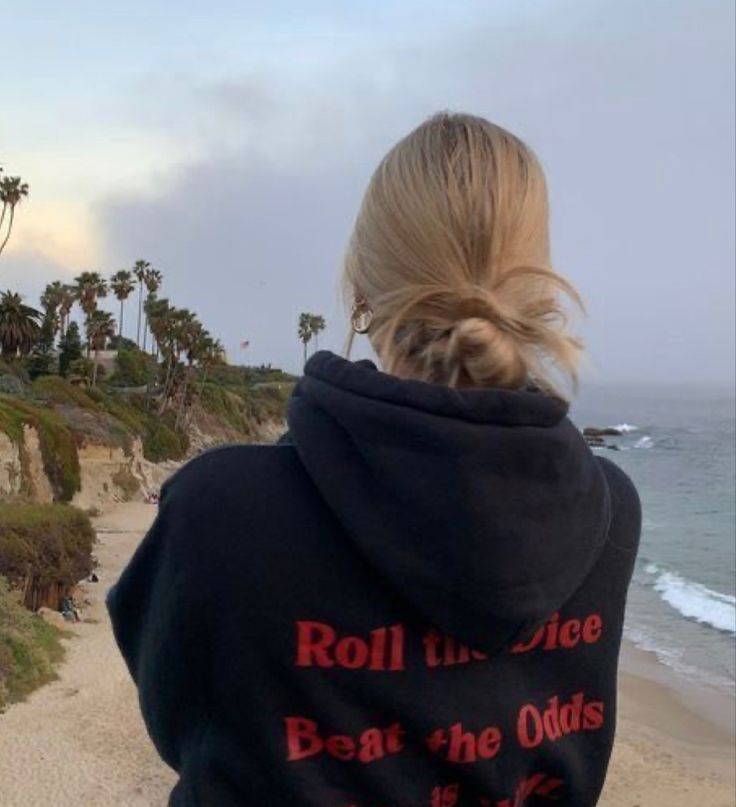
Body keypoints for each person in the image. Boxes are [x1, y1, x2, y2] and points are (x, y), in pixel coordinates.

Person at [106, 112, 641, 807]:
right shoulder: (609, 513)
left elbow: (183, 711)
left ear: (361, 295)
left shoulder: (222, 509)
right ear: (534, 292)